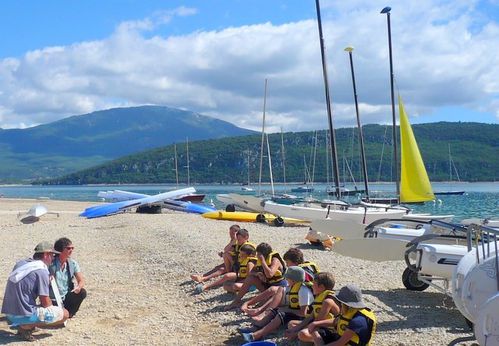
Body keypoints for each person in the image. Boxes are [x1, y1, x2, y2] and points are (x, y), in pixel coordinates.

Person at [1, 241, 69, 341]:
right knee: (64, 314)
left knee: (35, 305)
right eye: (52, 255)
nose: (53, 258)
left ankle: (26, 324)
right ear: (46, 255)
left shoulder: (21, 264)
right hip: (21, 316)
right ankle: (26, 326)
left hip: (8, 312)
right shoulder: (41, 271)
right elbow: (45, 302)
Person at [240, 266, 314, 343]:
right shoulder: (291, 287)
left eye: (287, 278)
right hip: (295, 311)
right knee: (274, 310)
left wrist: (286, 309)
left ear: (293, 280)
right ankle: (256, 327)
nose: (286, 280)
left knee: (281, 315)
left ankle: (257, 335)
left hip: (304, 318)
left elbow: (303, 313)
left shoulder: (303, 291)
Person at [226, 242, 287, 310]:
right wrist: (257, 274)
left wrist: (263, 261)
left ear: (263, 255)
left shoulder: (275, 260)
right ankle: (236, 301)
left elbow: (270, 275)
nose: (256, 255)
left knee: (271, 290)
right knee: (250, 278)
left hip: (278, 287)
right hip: (266, 285)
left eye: (258, 254)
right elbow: (251, 272)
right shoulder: (259, 260)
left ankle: (257, 303)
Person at [310, 284, 377, 346]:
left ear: (346, 304)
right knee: (315, 331)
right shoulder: (351, 310)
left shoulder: (358, 321)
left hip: (344, 343)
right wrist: (315, 323)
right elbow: (336, 321)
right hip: (340, 340)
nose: (339, 303)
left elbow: (340, 343)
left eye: (341, 302)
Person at [285, 272, 340, 342]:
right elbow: (311, 317)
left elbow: (317, 322)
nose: (312, 286)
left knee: (302, 334)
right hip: (318, 326)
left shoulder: (327, 301)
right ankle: (304, 339)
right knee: (291, 324)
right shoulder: (319, 296)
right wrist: (295, 329)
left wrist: (295, 333)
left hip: (330, 330)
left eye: (314, 284)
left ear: (321, 287)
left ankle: (311, 340)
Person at [49, 237, 87, 318]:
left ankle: (69, 313)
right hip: (53, 299)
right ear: (60, 250)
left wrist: (78, 287)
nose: (71, 250)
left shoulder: (72, 264)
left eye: (72, 248)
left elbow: (81, 280)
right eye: (69, 248)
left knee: (82, 292)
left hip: (66, 296)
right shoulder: (50, 264)